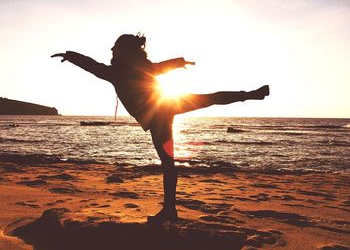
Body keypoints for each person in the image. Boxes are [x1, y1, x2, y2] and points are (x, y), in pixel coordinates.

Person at [52, 33, 269, 224]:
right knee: (208, 101)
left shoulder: (116, 73)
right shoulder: (138, 68)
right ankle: (252, 94)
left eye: (115, 47)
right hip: (167, 106)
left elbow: (92, 66)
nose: (111, 50)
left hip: (160, 113)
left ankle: (169, 210)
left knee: (168, 161)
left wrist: (70, 56)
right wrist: (178, 62)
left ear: (123, 51)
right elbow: (158, 68)